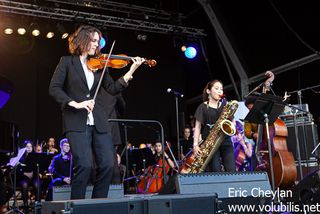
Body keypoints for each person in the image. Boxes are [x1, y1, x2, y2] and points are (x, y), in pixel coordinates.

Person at [49, 25, 145, 199]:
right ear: (83, 39)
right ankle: (77, 206)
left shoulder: (101, 65)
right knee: (84, 166)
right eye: (93, 41)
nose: (96, 45)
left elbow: (113, 88)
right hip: (76, 121)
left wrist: (131, 70)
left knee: (108, 165)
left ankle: (96, 205)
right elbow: (54, 88)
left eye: (97, 41)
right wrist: (75, 104)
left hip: (99, 121)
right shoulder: (67, 62)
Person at [193, 80, 236, 172]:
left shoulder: (225, 105)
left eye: (221, 89)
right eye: (216, 88)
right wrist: (195, 145)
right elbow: (197, 127)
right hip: (211, 143)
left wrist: (232, 127)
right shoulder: (202, 107)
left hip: (225, 141)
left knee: (231, 170)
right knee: (215, 171)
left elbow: (233, 122)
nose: (220, 91)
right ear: (208, 91)